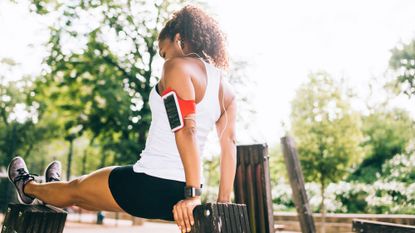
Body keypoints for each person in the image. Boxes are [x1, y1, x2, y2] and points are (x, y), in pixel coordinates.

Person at [7, 4, 236, 233]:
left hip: (150, 183)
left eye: (163, 52)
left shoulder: (175, 68)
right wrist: (222, 201)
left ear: (178, 39)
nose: (163, 59)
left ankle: (27, 186)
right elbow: (229, 145)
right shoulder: (226, 91)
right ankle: (51, 188)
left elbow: (187, 129)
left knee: (76, 189)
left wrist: (193, 195)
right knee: (81, 195)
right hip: (178, 195)